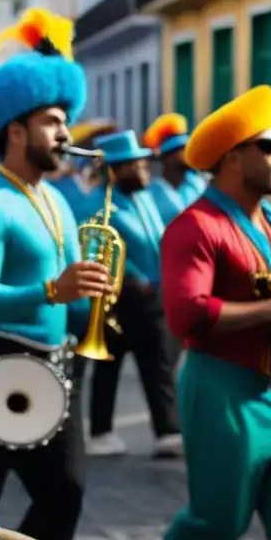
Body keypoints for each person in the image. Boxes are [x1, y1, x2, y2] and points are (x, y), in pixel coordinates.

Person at [0, 8, 112, 540]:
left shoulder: (58, 200)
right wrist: (51, 292)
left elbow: (67, 293)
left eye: (67, 119)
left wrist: (89, 302)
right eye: (52, 121)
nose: (66, 132)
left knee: (66, 492)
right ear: (15, 130)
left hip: (53, 366)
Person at [128, 85, 271, 540]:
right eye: (270, 146)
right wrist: (268, 311)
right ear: (234, 157)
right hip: (221, 391)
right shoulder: (194, 227)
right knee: (219, 520)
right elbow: (186, 315)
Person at [80, 130, 182, 458]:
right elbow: (96, 249)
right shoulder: (97, 205)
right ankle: (102, 432)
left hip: (153, 296)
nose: (142, 170)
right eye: (134, 165)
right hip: (122, 298)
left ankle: (167, 429)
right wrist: (132, 277)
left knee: (159, 363)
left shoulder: (144, 197)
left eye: (141, 164)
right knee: (113, 366)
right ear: (114, 170)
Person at [142, 113, 207, 225]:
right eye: (183, 150)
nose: (189, 154)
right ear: (169, 157)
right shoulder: (151, 192)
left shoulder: (198, 185)